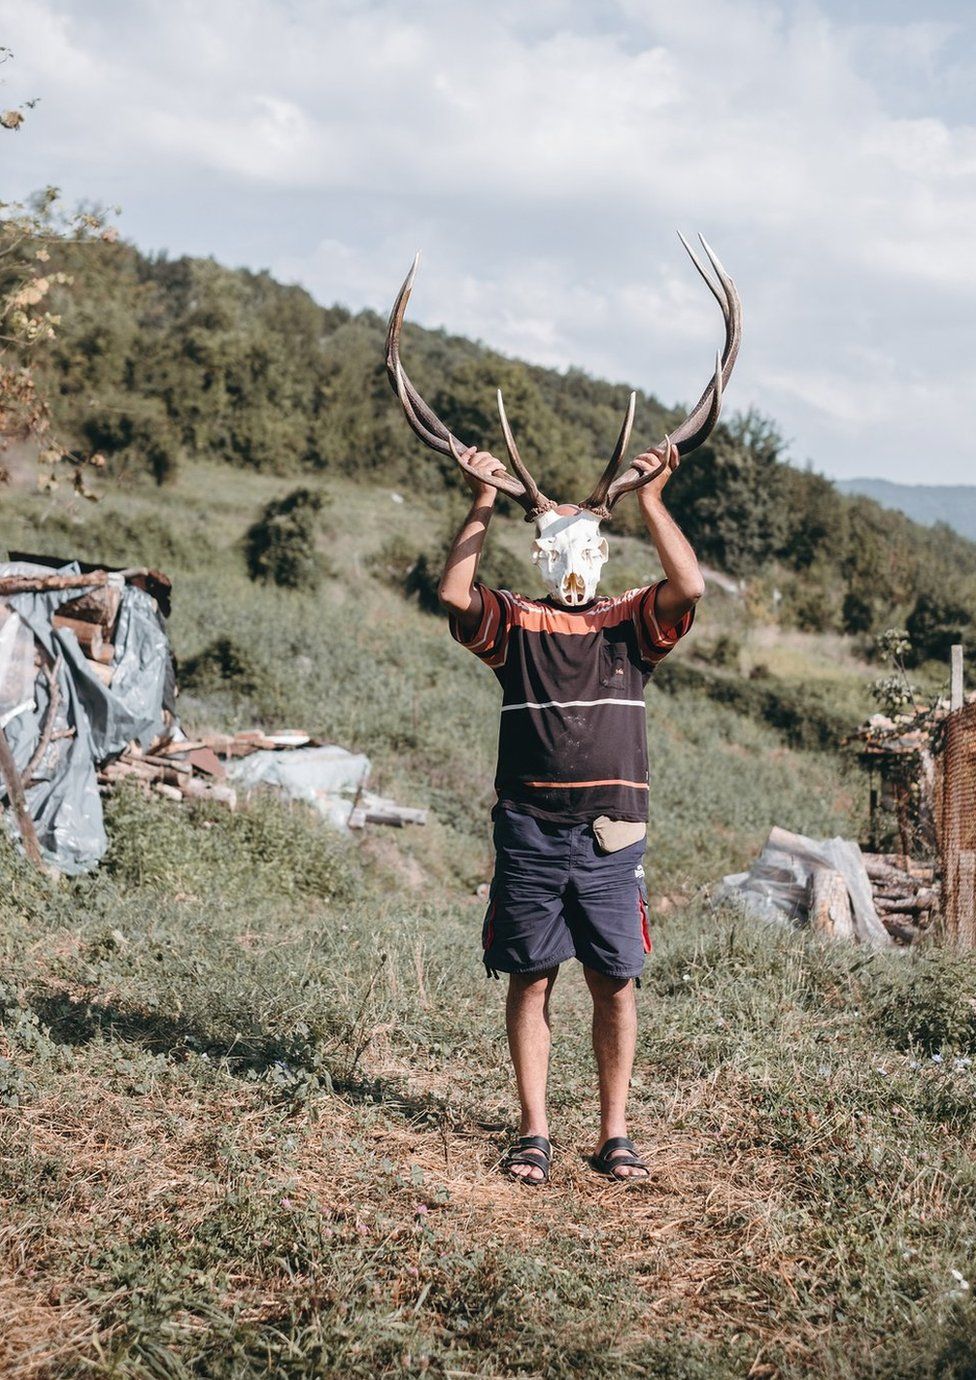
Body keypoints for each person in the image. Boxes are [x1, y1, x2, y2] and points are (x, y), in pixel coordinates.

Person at [438, 441, 703, 1184]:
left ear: (603, 553)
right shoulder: (516, 623)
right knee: (532, 975)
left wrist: (651, 498)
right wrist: (484, 495)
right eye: (559, 546)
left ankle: (614, 1133)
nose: (574, 561)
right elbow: (457, 596)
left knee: (615, 980)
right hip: (528, 829)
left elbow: (691, 583)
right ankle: (534, 1132)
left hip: (612, 838)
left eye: (586, 544)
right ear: (540, 557)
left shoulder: (631, 624)